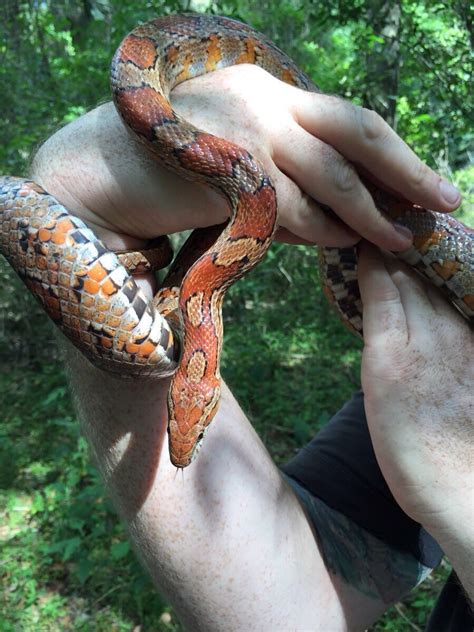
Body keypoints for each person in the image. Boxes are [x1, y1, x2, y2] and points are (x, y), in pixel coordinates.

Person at [29, 64, 472, 630]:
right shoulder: (450, 381)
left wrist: (461, 495)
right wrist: (92, 228)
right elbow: (285, 612)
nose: (182, 451)